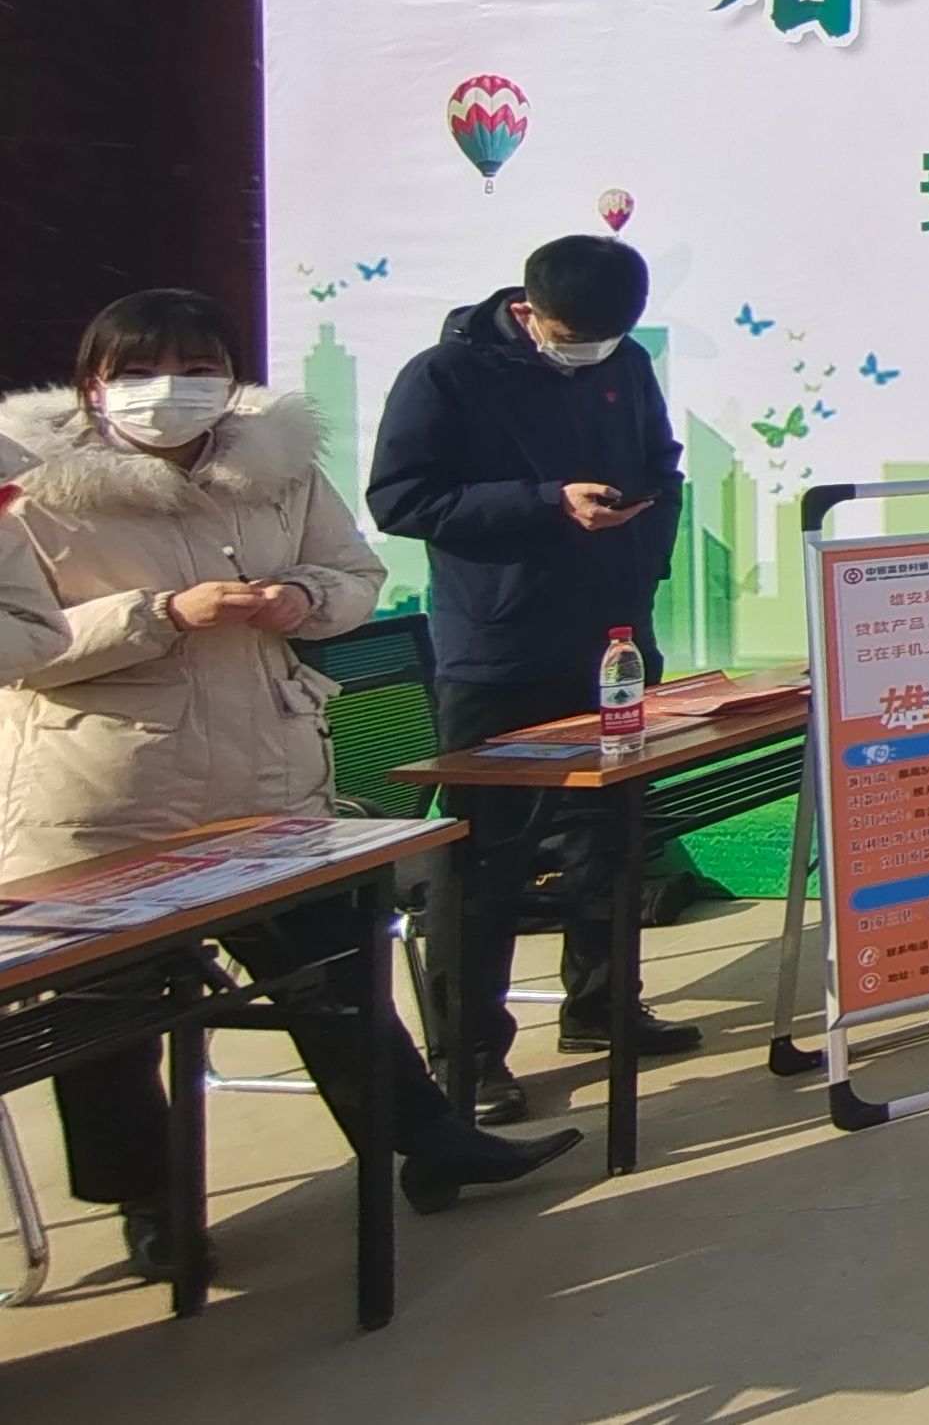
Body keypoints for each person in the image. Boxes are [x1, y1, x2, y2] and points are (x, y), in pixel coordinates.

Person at [0, 290, 580, 1274]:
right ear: (92, 384)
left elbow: (356, 576)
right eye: (139, 371)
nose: (169, 390)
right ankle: (150, 1204)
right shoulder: (30, 491)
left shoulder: (277, 470)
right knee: (110, 1018)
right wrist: (160, 613)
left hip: (263, 780)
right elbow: (22, 645)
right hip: (104, 793)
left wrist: (302, 597)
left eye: (197, 368)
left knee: (333, 974)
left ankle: (430, 1142)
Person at [366, 236, 700, 1125]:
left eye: (609, 337)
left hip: (613, 642)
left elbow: (661, 465)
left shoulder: (624, 363)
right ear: (528, 310)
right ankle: (469, 1057)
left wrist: (641, 545)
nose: (592, 350)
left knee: (610, 835)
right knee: (487, 859)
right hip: (499, 651)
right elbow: (401, 499)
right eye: (574, 335)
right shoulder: (444, 375)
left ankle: (603, 1004)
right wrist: (548, 500)